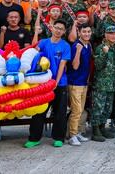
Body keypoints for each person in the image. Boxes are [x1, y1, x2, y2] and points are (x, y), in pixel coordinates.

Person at [29, 19, 71, 148]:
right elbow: (32, 54)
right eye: (56, 28)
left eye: (61, 29)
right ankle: (34, 138)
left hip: (59, 83)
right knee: (39, 111)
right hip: (43, 83)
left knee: (60, 112)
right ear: (51, 28)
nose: (58, 31)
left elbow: (62, 66)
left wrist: (56, 82)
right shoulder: (44, 42)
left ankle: (58, 138)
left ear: (64, 32)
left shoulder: (65, 46)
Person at [67, 23, 93, 146]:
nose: (86, 34)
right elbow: (75, 66)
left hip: (84, 83)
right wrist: (78, 51)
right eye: (84, 32)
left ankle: (77, 132)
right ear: (79, 32)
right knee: (76, 110)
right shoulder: (76, 46)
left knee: (81, 110)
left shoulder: (89, 45)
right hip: (75, 83)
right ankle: (72, 135)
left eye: (88, 31)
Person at [91, 25, 115, 142]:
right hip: (101, 84)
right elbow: (98, 65)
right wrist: (104, 53)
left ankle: (102, 127)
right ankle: (95, 130)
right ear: (105, 35)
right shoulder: (101, 48)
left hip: (111, 83)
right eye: (111, 33)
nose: (113, 36)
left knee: (107, 108)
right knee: (98, 107)